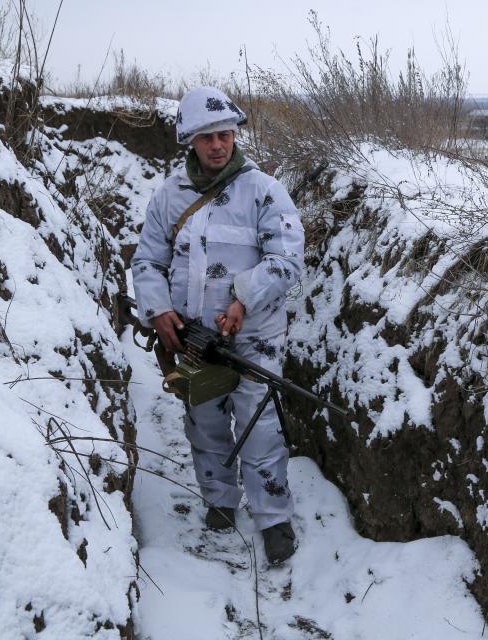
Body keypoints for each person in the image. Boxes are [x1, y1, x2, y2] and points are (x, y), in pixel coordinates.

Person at [131, 86, 305, 565]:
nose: (217, 145)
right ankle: (220, 504)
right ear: (190, 140)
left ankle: (272, 519)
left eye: (224, 135)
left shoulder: (265, 190)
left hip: (254, 337)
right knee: (204, 424)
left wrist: (244, 301)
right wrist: (159, 309)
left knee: (260, 426)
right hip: (193, 339)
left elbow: (288, 259)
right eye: (207, 137)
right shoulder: (170, 196)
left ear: (234, 136)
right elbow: (147, 260)